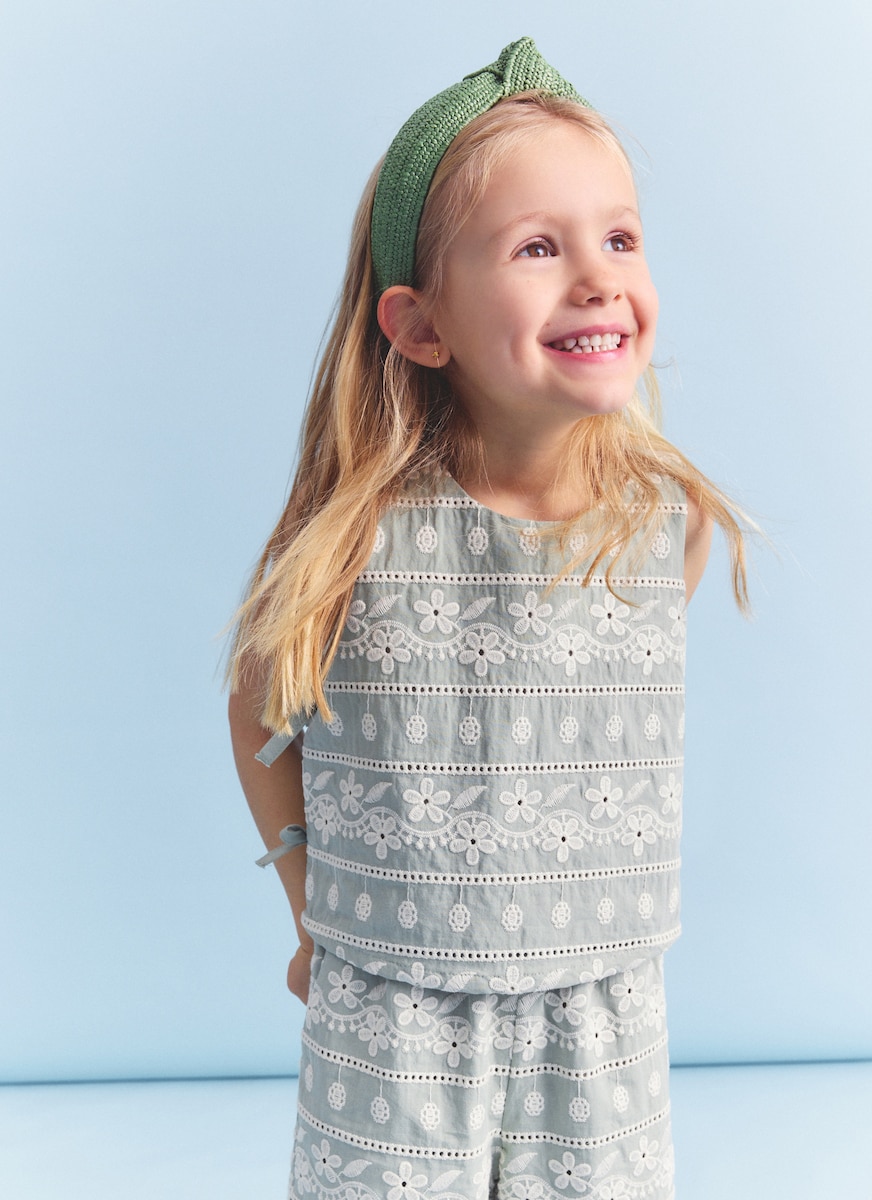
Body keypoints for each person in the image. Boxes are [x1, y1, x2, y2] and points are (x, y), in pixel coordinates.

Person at [229, 36, 747, 1200]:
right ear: (421, 326)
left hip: (599, 1012)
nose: (598, 277)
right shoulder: (353, 537)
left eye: (619, 239)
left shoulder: (667, 526)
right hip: (394, 1005)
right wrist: (310, 907)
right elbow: (259, 711)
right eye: (537, 248)